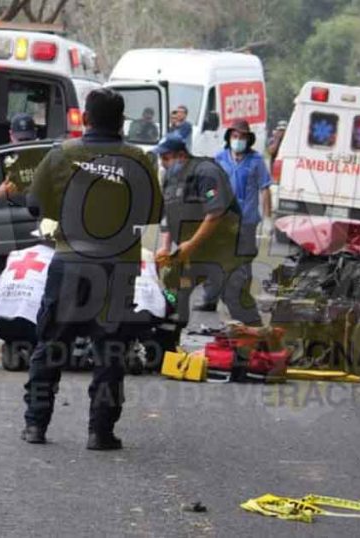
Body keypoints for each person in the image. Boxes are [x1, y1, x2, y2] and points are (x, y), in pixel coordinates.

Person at [22, 88, 162, 450]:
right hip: (118, 268)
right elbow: (152, 215)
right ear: (122, 122)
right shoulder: (140, 160)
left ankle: (36, 426)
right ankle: (100, 432)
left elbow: (35, 205)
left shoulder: (61, 155)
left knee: (51, 346)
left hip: (69, 263)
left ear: (85, 119)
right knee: (111, 351)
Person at [154, 135, 262, 329]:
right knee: (176, 288)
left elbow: (215, 212)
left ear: (181, 155)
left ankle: (261, 345)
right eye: (161, 158)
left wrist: (190, 244)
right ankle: (172, 341)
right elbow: (167, 216)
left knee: (234, 296)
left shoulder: (206, 172)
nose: (163, 163)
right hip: (193, 251)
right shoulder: (169, 176)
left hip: (225, 249)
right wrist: (165, 247)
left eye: (166, 157)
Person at [195, 119, 272, 312]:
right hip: (222, 219)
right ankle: (209, 299)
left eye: (242, 137)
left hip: (246, 220)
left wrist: (268, 218)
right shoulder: (220, 158)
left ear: (248, 140)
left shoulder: (256, 161)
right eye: (235, 136)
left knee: (243, 263)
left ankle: (241, 301)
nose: (238, 140)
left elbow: (265, 189)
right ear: (229, 138)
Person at [0, 113, 42, 203]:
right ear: (11, 135)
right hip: (11, 212)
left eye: (28, 139)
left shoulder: (44, 156)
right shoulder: (0, 157)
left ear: (35, 134)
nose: (24, 144)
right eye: (20, 140)